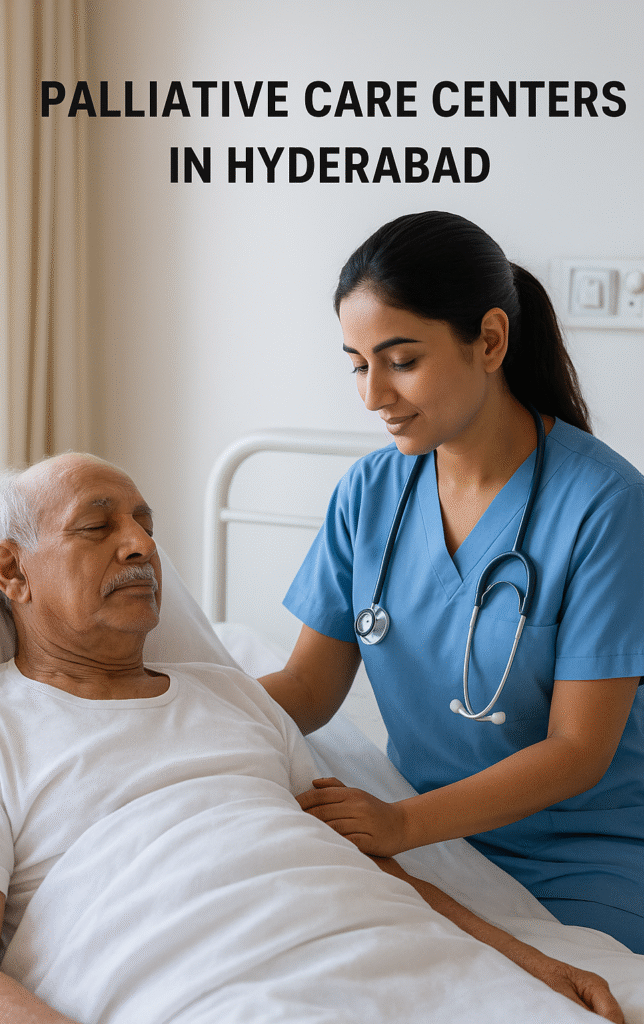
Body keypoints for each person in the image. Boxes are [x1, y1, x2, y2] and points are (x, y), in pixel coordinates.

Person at [0, 453, 625, 1024]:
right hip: (208, 978)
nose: (139, 544)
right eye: (97, 525)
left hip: (398, 954)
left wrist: (523, 958)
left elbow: (362, 861)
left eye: (146, 525)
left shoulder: (233, 696)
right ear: (12, 572)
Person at [261, 211, 644, 954]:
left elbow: (577, 750)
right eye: (356, 363)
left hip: (576, 855)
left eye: (400, 360)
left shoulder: (605, 507)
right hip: (422, 837)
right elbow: (308, 689)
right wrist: (175, 707)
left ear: (490, 341)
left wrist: (400, 825)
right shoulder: (368, 494)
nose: (372, 395)